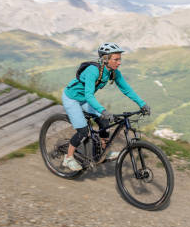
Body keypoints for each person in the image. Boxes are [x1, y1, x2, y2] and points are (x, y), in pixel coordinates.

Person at [61, 42, 150, 171]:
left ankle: (104, 152)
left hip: (85, 99)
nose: (119, 62)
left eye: (120, 59)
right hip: (72, 98)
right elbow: (89, 95)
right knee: (83, 131)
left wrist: (142, 104)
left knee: (104, 121)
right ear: (105, 59)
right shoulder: (93, 71)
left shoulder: (113, 72)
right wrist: (102, 110)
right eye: (116, 59)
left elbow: (127, 90)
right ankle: (68, 158)